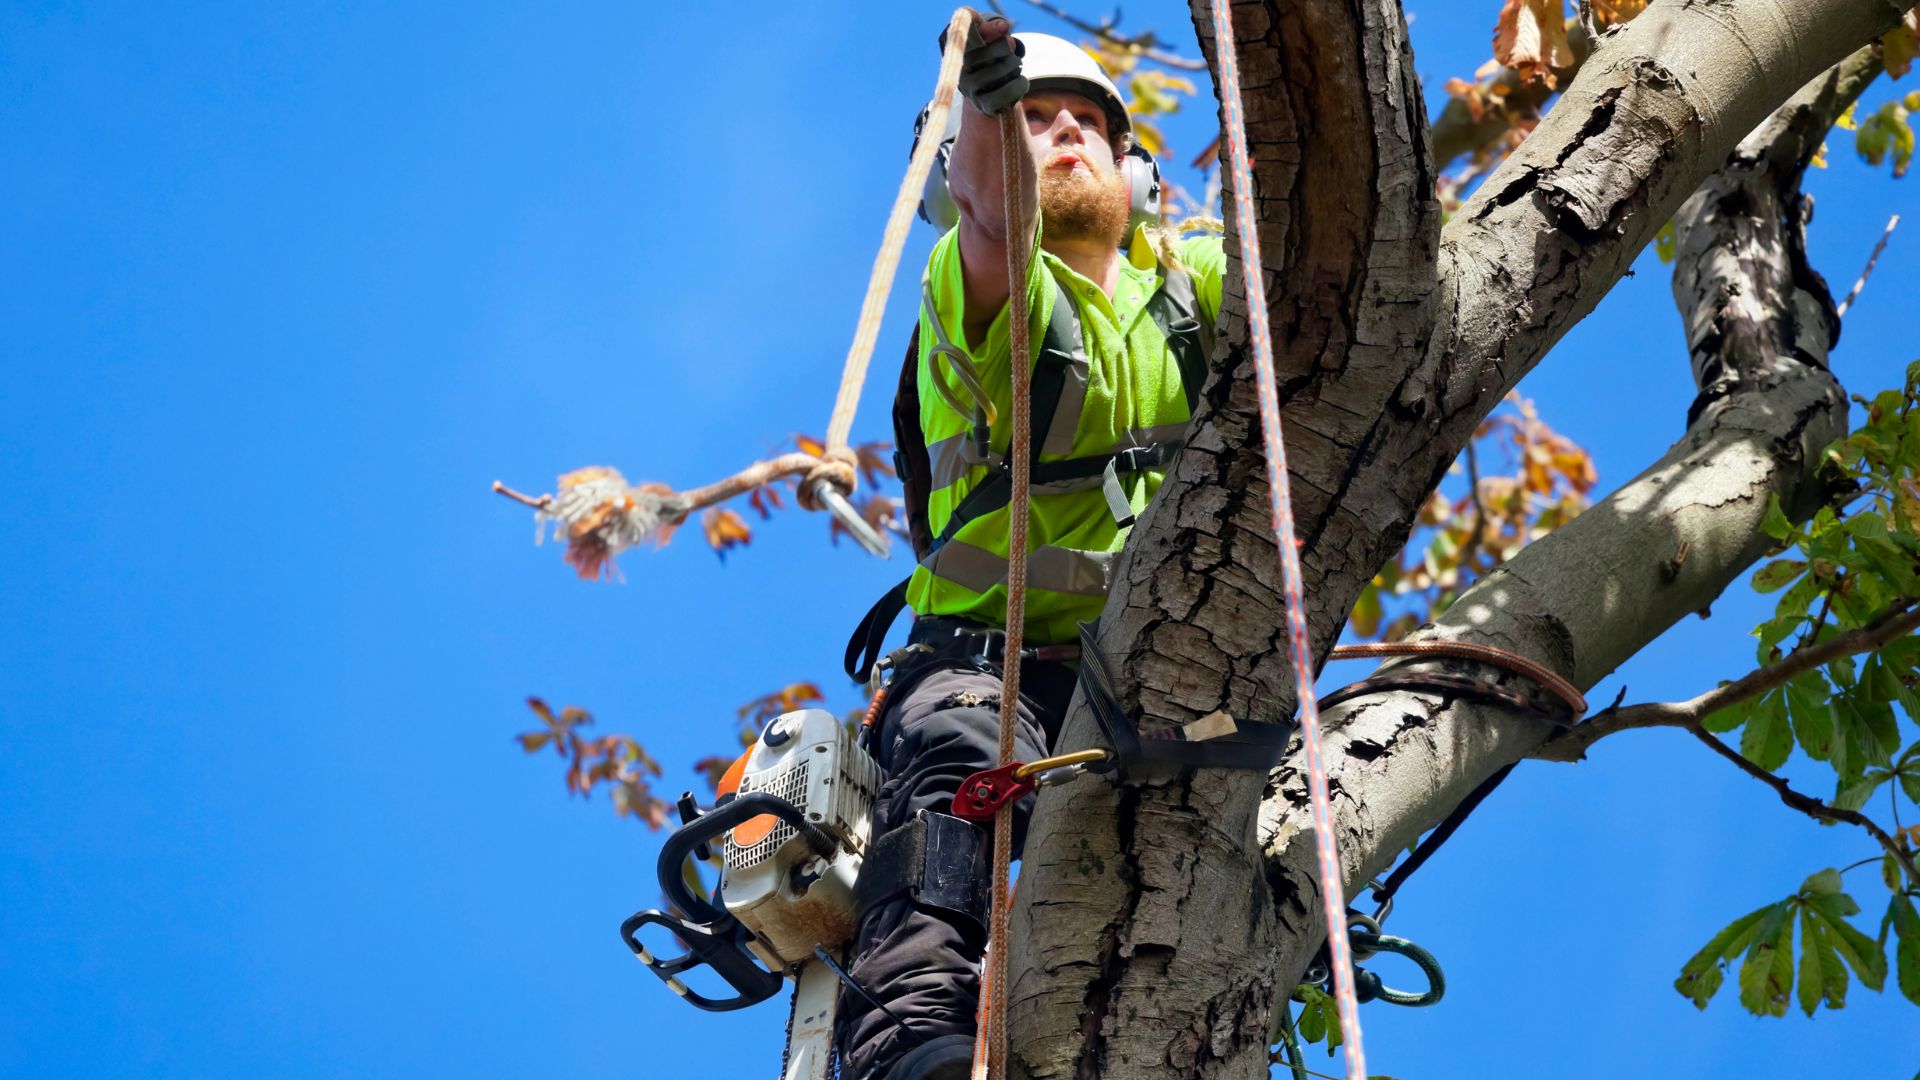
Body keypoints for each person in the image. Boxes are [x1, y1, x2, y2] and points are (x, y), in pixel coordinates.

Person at [839, 14, 1226, 1078]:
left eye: (1085, 120)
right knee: (953, 813)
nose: (1057, 131)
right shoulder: (972, 291)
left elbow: (1329, 274)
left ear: (1136, 170)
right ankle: (913, 1050)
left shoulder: (1191, 288)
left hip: (1163, 685)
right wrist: (985, 105)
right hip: (987, 671)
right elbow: (996, 213)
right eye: (1034, 116)